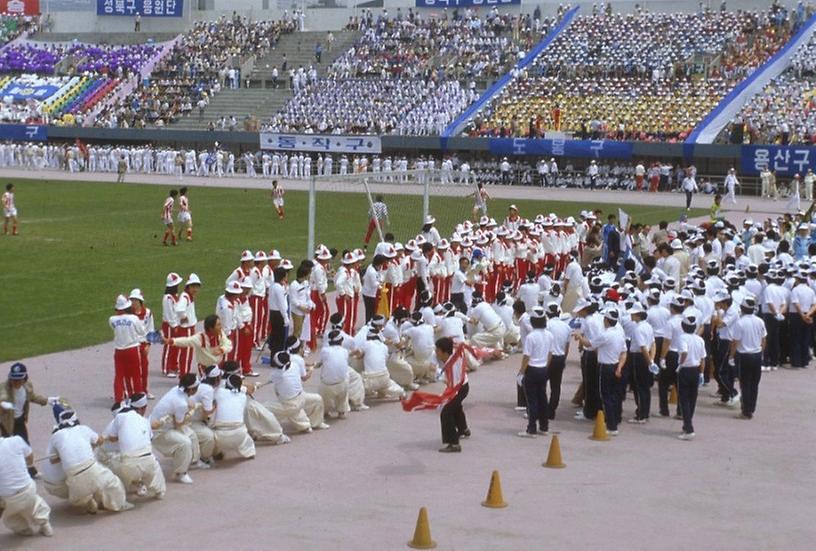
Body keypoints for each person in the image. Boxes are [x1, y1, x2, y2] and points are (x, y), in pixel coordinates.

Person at [47, 409, 132, 513]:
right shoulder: (84, 429)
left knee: (77, 497)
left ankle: (89, 503)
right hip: (92, 468)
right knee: (113, 483)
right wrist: (91, 444)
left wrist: (64, 454)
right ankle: (118, 505)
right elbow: (100, 441)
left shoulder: (56, 436)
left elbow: (53, 460)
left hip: (74, 475)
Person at [102, 393, 166, 499]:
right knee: (152, 460)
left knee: (115, 465)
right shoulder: (144, 420)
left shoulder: (119, 418)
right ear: (142, 408)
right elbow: (149, 440)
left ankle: (120, 493)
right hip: (147, 462)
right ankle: (158, 491)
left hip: (127, 464)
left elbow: (112, 438)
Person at [150, 374, 208, 484]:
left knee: (191, 435)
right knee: (185, 443)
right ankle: (180, 473)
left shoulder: (177, 390)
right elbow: (179, 424)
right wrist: (191, 412)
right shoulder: (181, 403)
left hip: (168, 424)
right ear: (191, 389)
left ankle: (193, 461)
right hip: (159, 431)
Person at [0, 363, 55, 478]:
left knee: (25, 445)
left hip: (19, 420)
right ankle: (9, 473)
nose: (16, 382)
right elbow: (3, 395)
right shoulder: (4, 387)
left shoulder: (27, 386)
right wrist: (3, 403)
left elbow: (33, 397)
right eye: (14, 379)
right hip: (6, 422)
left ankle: (30, 471)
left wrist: (47, 400)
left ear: (24, 378)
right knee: (7, 447)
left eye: (19, 379)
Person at [578, 308, 627, 435]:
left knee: (606, 396)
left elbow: (589, 344)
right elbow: (624, 353)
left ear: (606, 320)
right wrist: (620, 367)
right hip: (616, 365)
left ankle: (611, 426)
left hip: (605, 367)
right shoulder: (619, 334)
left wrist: (579, 337)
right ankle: (615, 420)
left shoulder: (605, 335)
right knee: (615, 395)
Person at [0, 432, 52, 537]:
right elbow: (30, 459)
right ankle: (44, 523)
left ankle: (24, 530)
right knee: (36, 503)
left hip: (8, 498)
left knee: (9, 517)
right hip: (28, 489)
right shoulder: (17, 440)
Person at [266, 351, 329, 433]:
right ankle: (315, 423)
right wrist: (311, 369)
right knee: (318, 399)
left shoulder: (275, 374)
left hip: (290, 404)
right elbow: (304, 377)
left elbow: (268, 381)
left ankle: (304, 425)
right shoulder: (294, 365)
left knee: (264, 408)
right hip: (302, 397)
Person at [517, 307, 553, 438]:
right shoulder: (549, 334)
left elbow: (526, 357)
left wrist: (521, 371)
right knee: (542, 398)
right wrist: (545, 366)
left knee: (531, 400)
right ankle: (544, 426)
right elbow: (550, 353)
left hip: (532, 369)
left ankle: (531, 428)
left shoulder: (531, 337)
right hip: (543, 368)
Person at [729, 296, 767, 420]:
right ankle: (751, 408)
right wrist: (761, 352)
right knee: (754, 384)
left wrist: (731, 355)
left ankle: (746, 411)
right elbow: (763, 339)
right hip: (757, 355)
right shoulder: (760, 321)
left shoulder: (740, 323)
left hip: (744, 356)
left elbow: (735, 342)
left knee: (745, 383)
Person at [165, 314, 233, 374]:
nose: (221, 327)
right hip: (205, 370)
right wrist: (171, 341)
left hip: (218, 367)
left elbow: (229, 344)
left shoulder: (220, 334)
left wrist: (222, 350)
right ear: (211, 328)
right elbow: (186, 341)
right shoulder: (200, 338)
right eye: (218, 325)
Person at [109, 294, 147, 403]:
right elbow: (142, 331)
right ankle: (138, 398)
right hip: (133, 349)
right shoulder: (134, 318)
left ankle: (119, 400)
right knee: (136, 375)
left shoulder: (112, 319)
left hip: (119, 351)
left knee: (119, 376)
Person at [212, 375, 256, 460]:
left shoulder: (218, 392)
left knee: (209, 430)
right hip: (239, 434)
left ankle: (217, 452)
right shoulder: (243, 397)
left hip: (220, 434)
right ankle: (249, 452)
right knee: (246, 437)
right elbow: (249, 389)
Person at [676, 313, 705, 440]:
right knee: (692, 399)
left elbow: (684, 352)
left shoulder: (682, 338)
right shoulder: (699, 339)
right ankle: (687, 424)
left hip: (685, 370)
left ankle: (688, 428)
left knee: (684, 400)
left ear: (683, 326)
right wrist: (702, 373)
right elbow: (703, 358)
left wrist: (680, 365)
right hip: (696, 370)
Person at [317, 330, 352, 418]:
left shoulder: (325, 350)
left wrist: (312, 366)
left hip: (327, 385)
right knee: (346, 375)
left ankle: (325, 411)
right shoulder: (345, 351)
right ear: (341, 341)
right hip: (341, 384)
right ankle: (341, 411)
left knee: (324, 380)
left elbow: (320, 363)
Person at [175, 273, 202, 376]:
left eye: (196, 287)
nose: (195, 289)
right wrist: (183, 317)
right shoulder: (185, 297)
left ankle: (184, 373)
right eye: (193, 287)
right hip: (187, 329)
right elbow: (179, 309)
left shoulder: (188, 296)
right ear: (188, 286)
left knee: (187, 353)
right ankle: (184, 375)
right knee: (186, 353)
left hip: (188, 328)